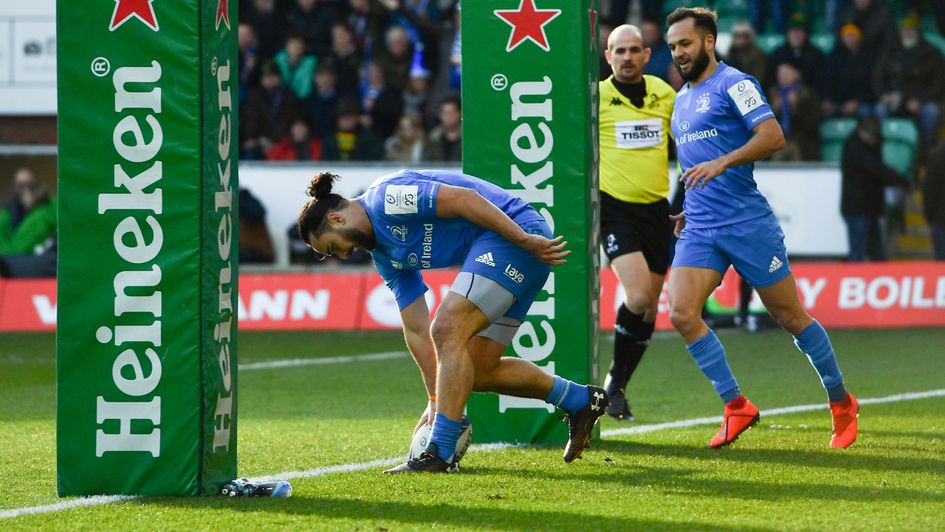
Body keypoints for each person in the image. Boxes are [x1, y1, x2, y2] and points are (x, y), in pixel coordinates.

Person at [296, 170, 609, 472]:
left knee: (447, 327)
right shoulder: (385, 257)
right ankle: (579, 400)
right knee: (478, 370)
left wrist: (524, 239)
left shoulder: (387, 198)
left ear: (336, 219)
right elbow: (416, 329)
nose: (342, 255)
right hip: (508, 248)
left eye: (333, 247)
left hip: (515, 235)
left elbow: (465, 199)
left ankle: (441, 452)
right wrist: (435, 398)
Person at [665, 7, 859, 449]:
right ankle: (737, 406)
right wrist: (689, 207)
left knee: (789, 317)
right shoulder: (680, 99)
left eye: (686, 43)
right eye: (673, 46)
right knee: (681, 313)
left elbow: (773, 136)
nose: (678, 53)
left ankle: (841, 401)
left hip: (746, 223)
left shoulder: (735, 83)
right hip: (700, 225)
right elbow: (694, 164)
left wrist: (723, 162)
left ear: (709, 41)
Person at [598, 24, 676, 421]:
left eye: (634, 50)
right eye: (619, 51)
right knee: (640, 296)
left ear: (646, 55)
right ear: (608, 56)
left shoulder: (665, 94)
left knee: (648, 311)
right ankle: (613, 383)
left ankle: (618, 386)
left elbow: (689, 143)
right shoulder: (596, 98)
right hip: (615, 210)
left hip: (657, 211)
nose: (627, 57)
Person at [840, 117, 911, 261]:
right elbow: (875, 169)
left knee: (876, 254)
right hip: (857, 209)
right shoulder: (854, 147)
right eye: (872, 138)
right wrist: (899, 180)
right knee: (858, 254)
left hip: (870, 208)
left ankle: (879, 274)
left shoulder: (869, 144)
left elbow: (877, 169)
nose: (874, 141)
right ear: (862, 132)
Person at [0, 168, 57, 278]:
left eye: (28, 185)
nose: (24, 189)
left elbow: (19, 247)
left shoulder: (40, 216)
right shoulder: (10, 210)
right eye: (20, 185)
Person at [421, 94, 462, 162]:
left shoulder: (468, 139)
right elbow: (426, 162)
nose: (447, 117)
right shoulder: (433, 138)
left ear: (459, 114)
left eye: (450, 113)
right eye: (444, 113)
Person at [923, 140, 945, 260]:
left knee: (941, 265)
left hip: (940, 220)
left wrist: (930, 216)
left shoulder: (938, 155)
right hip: (940, 220)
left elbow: (929, 189)